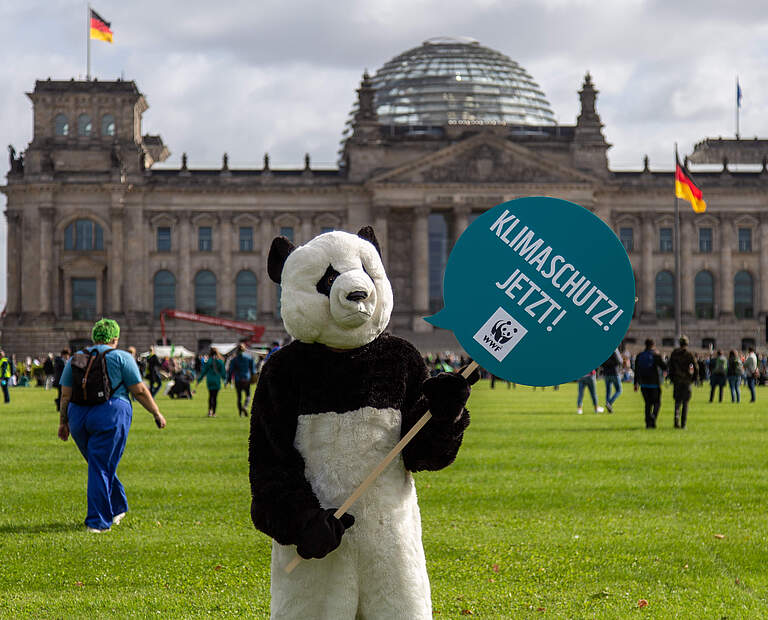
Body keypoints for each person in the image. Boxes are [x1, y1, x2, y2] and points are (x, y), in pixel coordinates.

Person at [57, 318, 166, 533]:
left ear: (94, 336)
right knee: (101, 466)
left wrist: (63, 422)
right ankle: (98, 522)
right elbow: (140, 391)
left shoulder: (76, 359)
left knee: (99, 464)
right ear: (115, 338)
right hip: (111, 413)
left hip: (78, 416)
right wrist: (156, 412)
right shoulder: (121, 357)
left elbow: (65, 395)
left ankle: (117, 507)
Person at [633, 339, 667, 429]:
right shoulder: (655, 355)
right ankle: (653, 417)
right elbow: (664, 366)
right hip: (655, 383)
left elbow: (636, 371)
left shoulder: (640, 355)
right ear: (653, 345)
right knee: (657, 403)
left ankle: (648, 423)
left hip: (643, 384)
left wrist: (635, 383)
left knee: (647, 404)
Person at [668, 335, 696, 429]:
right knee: (685, 403)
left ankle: (676, 420)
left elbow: (670, 367)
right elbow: (696, 367)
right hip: (686, 381)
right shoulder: (689, 354)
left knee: (677, 402)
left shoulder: (674, 353)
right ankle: (683, 424)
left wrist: (671, 378)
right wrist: (694, 378)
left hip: (677, 380)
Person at [228, 343, 256, 416]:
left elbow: (231, 370)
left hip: (238, 379)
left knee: (239, 396)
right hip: (246, 378)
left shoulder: (234, 359)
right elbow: (253, 370)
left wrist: (228, 379)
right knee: (248, 395)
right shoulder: (249, 358)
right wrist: (254, 378)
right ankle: (245, 406)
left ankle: (240, 413)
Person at [197, 347, 226, 417]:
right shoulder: (220, 361)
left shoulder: (208, 361)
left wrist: (199, 380)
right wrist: (225, 380)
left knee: (210, 396)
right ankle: (214, 413)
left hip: (210, 380)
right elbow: (223, 373)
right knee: (215, 397)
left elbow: (204, 372)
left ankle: (210, 411)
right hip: (216, 380)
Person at [600, 347, 623, 413]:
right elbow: (620, 361)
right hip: (614, 372)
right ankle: (609, 403)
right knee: (619, 390)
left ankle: (609, 407)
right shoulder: (614, 349)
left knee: (608, 391)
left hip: (606, 373)